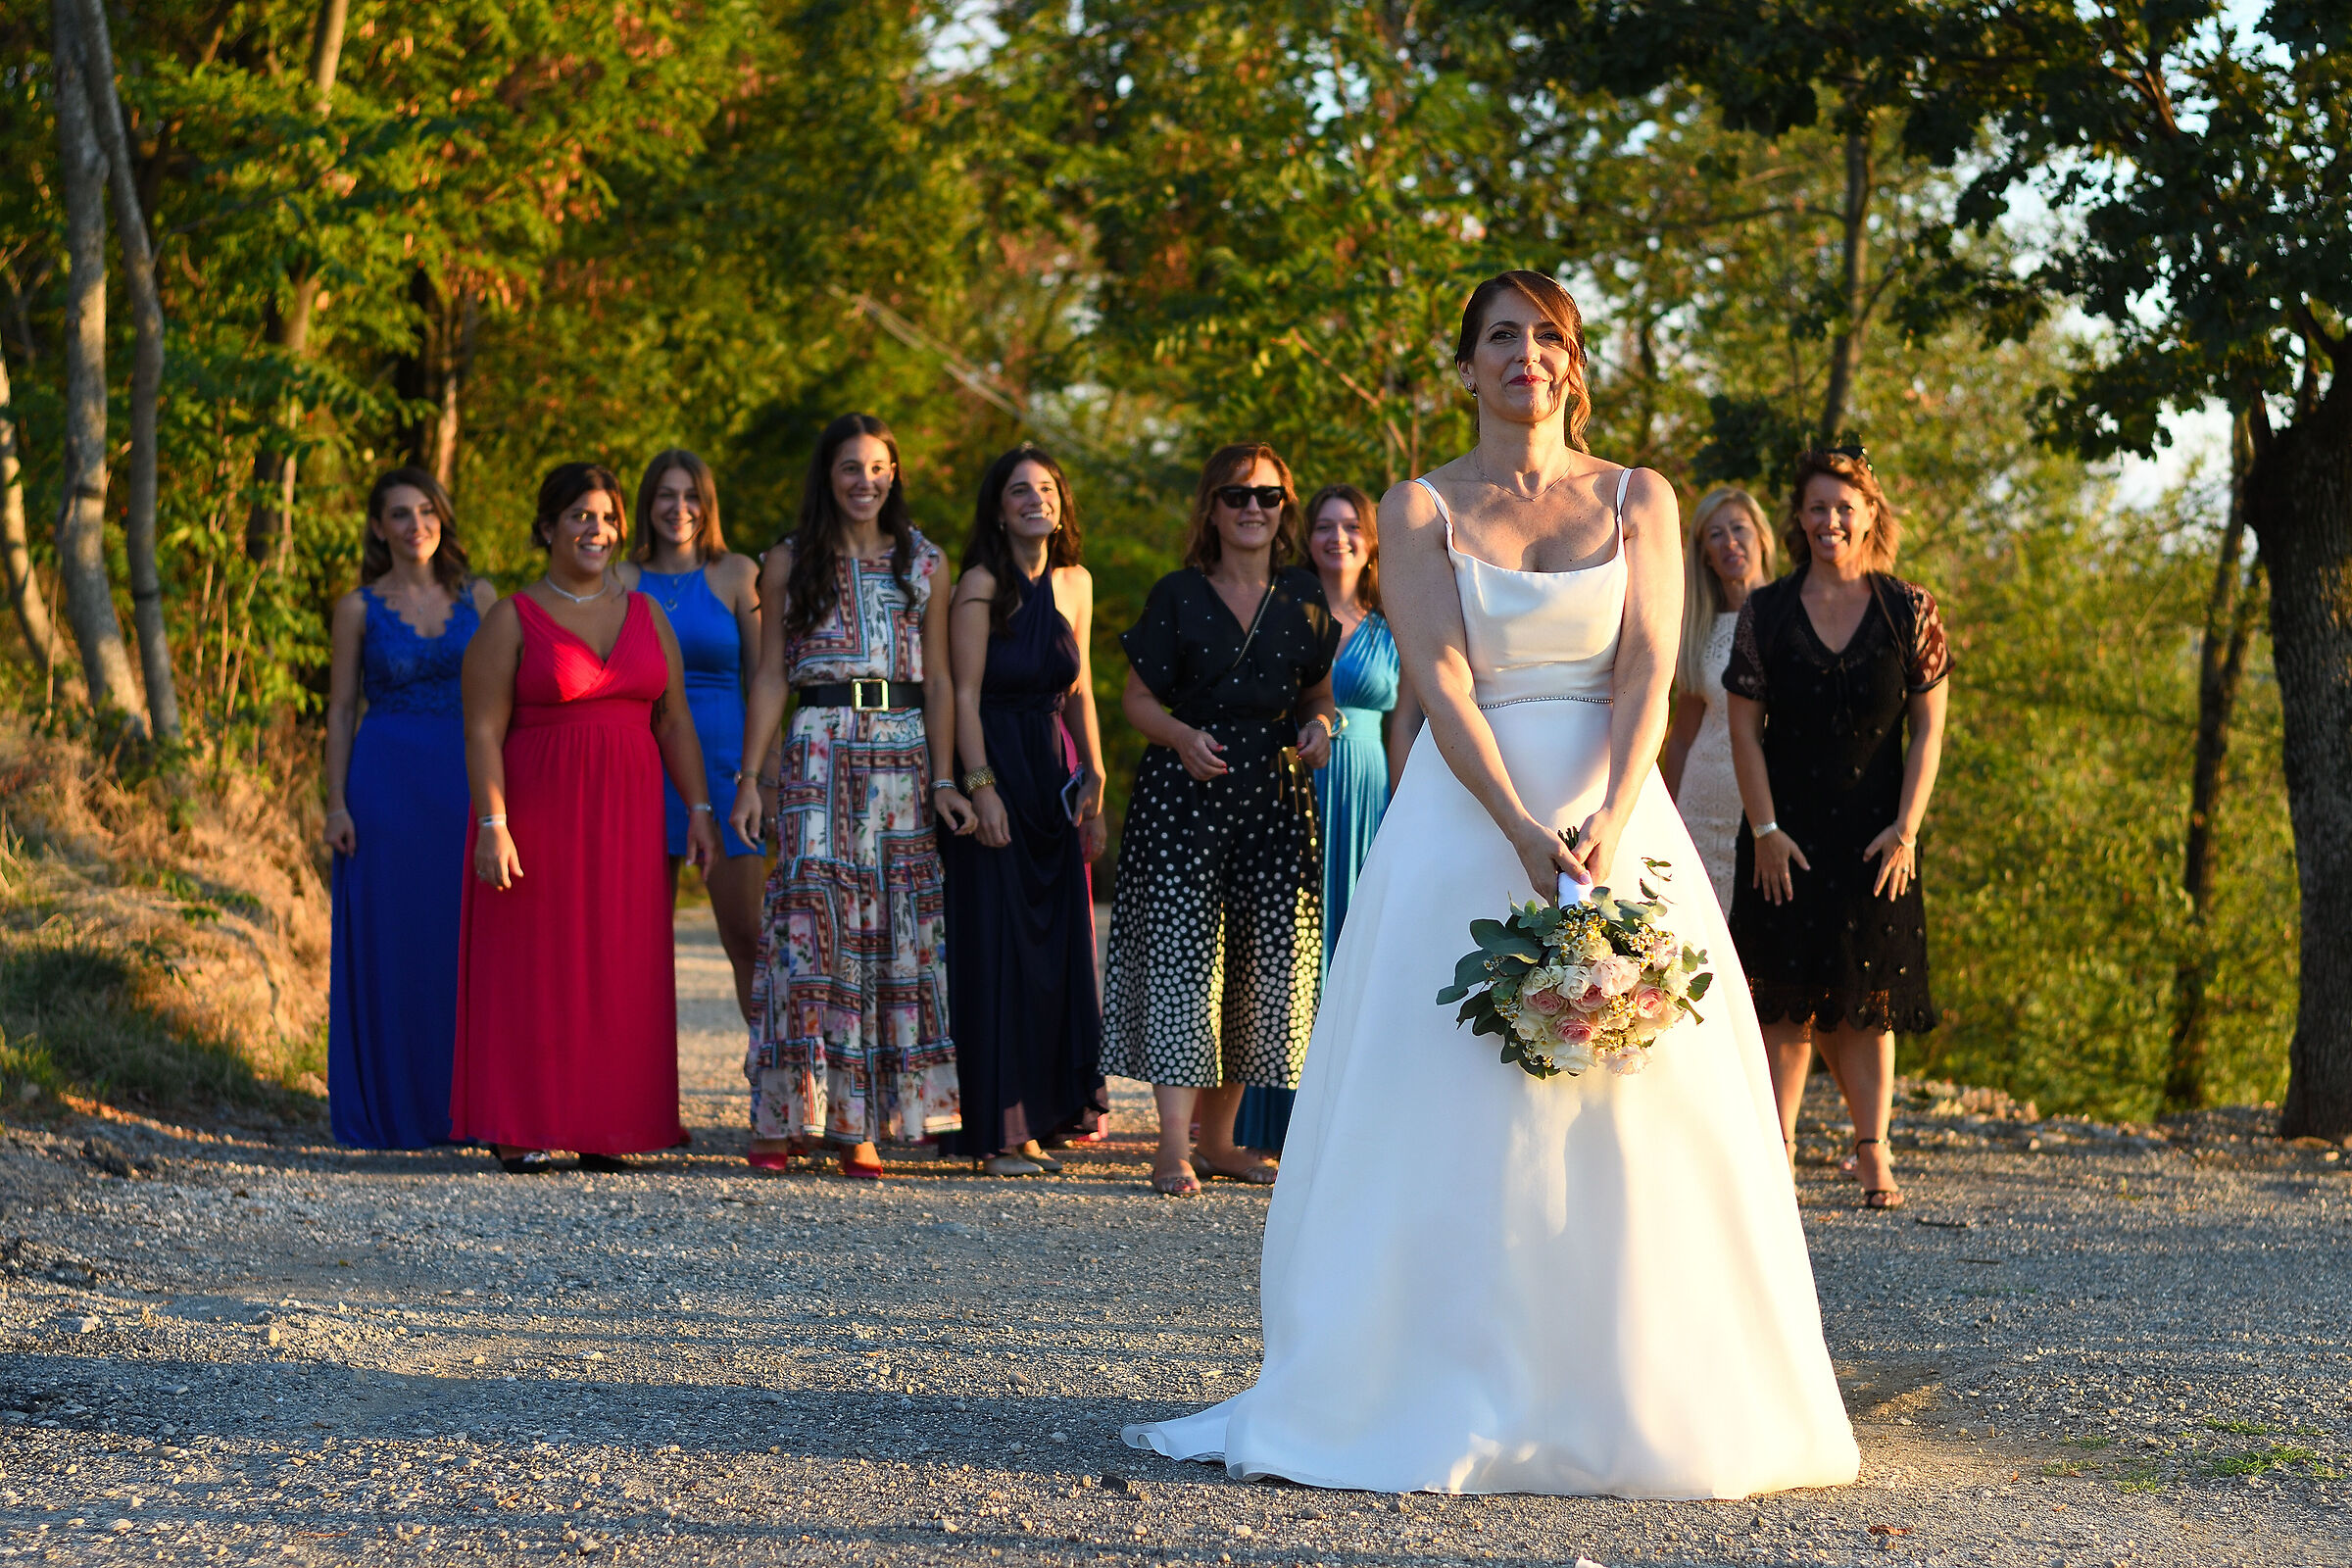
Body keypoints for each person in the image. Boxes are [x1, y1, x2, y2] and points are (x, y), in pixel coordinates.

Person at [1124, 271, 1856, 1496]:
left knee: (1641, 1091)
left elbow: (1647, 668)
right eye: (1501, 337)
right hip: (1469, 817)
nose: (1526, 356)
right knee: (1445, 1089)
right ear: (1465, 366)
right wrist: (1519, 827)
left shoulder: (1641, 497)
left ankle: (1638, 1383)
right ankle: (1435, 1375)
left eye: (1549, 339)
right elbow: (1444, 679)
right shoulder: (1420, 507)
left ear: (1575, 366)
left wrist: (1612, 820)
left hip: (1617, 809)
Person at [450, 464, 720, 1174]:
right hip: (539, 813)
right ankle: (523, 1122)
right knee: (536, 964)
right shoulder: (512, 617)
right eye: (579, 516)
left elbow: (675, 721)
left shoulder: (647, 615)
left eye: (606, 518)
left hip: (628, 817)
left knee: (618, 961)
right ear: (547, 528)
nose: (596, 531)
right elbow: (481, 729)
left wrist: (698, 808)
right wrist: (492, 823)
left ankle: (608, 1122)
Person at [729, 414, 974, 1179]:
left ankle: (857, 1124)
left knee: (885, 935)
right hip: (817, 747)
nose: (864, 482)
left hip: (900, 754)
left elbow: (938, 680)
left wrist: (944, 780)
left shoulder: (925, 562)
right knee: (809, 928)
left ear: (894, 473)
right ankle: (785, 1115)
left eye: (877, 468)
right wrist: (749, 776)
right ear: (826, 476)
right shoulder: (787, 561)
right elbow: (770, 673)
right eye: (848, 468)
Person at [1102, 443, 1339, 1198]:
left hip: (1274, 801)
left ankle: (1223, 1141)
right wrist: (1178, 735)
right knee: (1183, 967)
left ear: (1284, 510)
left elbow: (1318, 696)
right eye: (1237, 495)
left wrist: (1322, 730)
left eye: (1268, 497)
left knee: (1259, 971)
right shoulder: (1178, 593)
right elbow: (1137, 700)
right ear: (1212, 506)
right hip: (1185, 798)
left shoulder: (1304, 595)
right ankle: (1173, 1144)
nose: (1252, 509)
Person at [1726, 447, 1949, 1208]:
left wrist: (1907, 830)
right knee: (1784, 1001)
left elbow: (1929, 732)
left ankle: (1872, 1153)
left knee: (1867, 999)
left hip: (1876, 839)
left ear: (1870, 515)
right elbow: (1743, 730)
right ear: (1799, 518)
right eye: (1816, 508)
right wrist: (1764, 829)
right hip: (1782, 836)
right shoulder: (1765, 612)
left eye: (1843, 508)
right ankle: (1777, 1153)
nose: (1829, 521)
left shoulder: (1910, 609)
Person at [942, 443, 1110, 1176]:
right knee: (1000, 949)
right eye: (1019, 489)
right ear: (999, 506)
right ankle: (996, 1131)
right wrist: (980, 786)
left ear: (1061, 503)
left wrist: (1096, 773)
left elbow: (1082, 687)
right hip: (996, 767)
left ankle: (1039, 1121)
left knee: (1056, 951)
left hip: (1053, 776)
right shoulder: (979, 583)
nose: (1035, 498)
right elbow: (960, 691)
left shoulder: (1077, 582)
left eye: (1046, 487)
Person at [1233, 482, 1407, 1155]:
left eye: (1352, 528)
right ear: (1308, 540)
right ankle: (1270, 1122)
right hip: (1292, 789)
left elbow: (1404, 727)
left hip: (1364, 793)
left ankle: (1349, 1124)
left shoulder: (1396, 626)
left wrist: (1398, 808)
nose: (1339, 538)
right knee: (1286, 953)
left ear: (1371, 543)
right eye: (1326, 527)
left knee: (1355, 951)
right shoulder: (1282, 613)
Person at [322, 468, 495, 1150]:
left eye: (427, 511)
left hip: (463, 783)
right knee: (394, 944)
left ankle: (467, 1107)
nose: (415, 524)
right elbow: (339, 711)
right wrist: (336, 804)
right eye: (400, 514)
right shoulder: (357, 608)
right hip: (385, 785)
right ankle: (393, 1111)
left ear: (443, 519)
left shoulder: (482, 597)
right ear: (378, 526)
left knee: (462, 943)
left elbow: (505, 702)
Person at [614, 450, 763, 1021]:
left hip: (726, 769)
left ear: (708, 504)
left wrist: (763, 776)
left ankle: (766, 1081)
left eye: (692, 496)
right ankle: (633, 1090)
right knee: (635, 944)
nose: (680, 508)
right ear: (646, 505)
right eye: (666, 496)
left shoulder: (736, 574)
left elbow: (765, 679)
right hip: (643, 769)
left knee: (746, 933)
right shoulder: (622, 579)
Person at [1661, 486, 1776, 909]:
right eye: (1715, 534)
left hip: (1768, 807)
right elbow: (1683, 736)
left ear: (1761, 537)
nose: (1729, 541)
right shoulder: (1698, 631)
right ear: (1705, 553)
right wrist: (1666, 818)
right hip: (1702, 804)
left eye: (1739, 528)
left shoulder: (1793, 616)